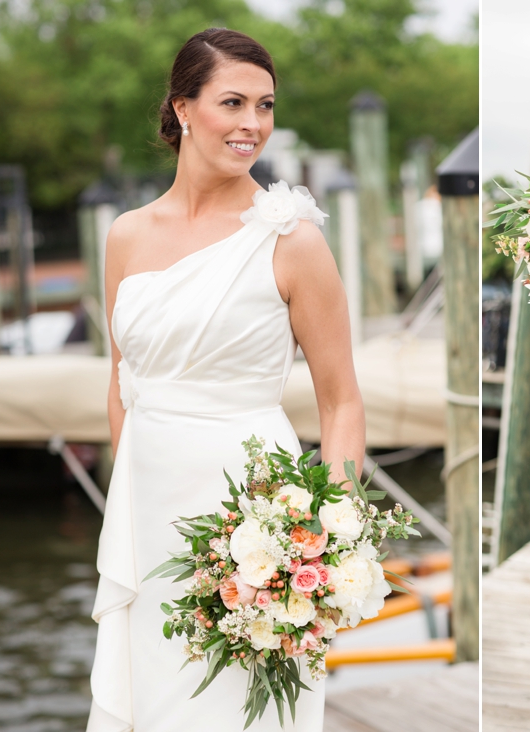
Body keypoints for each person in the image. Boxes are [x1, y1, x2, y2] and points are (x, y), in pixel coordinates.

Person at [88, 29, 364, 731]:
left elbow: (340, 401)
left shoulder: (291, 238)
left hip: (254, 512)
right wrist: (131, 495)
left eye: (265, 106)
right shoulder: (124, 235)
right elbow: (123, 384)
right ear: (182, 108)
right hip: (147, 513)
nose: (253, 124)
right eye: (233, 102)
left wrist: (326, 540)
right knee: (154, 699)